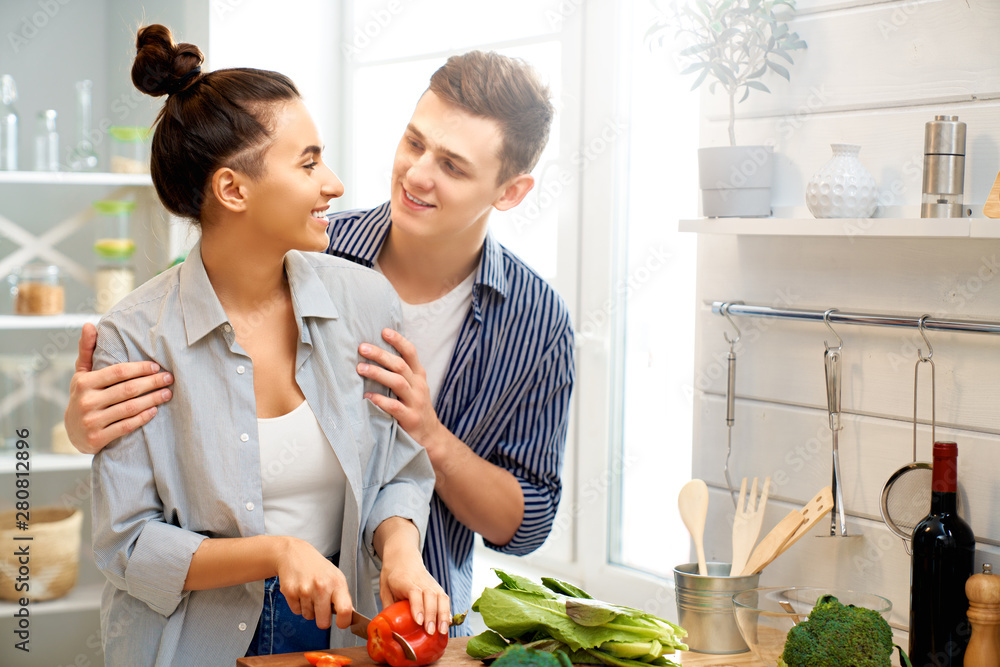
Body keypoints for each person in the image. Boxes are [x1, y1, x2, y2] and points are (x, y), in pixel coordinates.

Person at [68, 50, 575, 625]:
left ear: (509, 192)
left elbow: (510, 515)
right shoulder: (310, 239)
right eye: (413, 143)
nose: (415, 174)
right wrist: (83, 427)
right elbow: (130, 535)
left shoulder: (529, 319)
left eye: (454, 167)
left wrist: (425, 449)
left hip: (392, 622)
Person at [89, 25, 448, 666]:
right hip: (190, 643)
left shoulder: (365, 302)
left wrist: (401, 551)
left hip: (345, 631)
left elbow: (396, 467)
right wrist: (277, 552)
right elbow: (128, 545)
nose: (333, 183)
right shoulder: (135, 336)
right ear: (234, 190)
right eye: (308, 162)